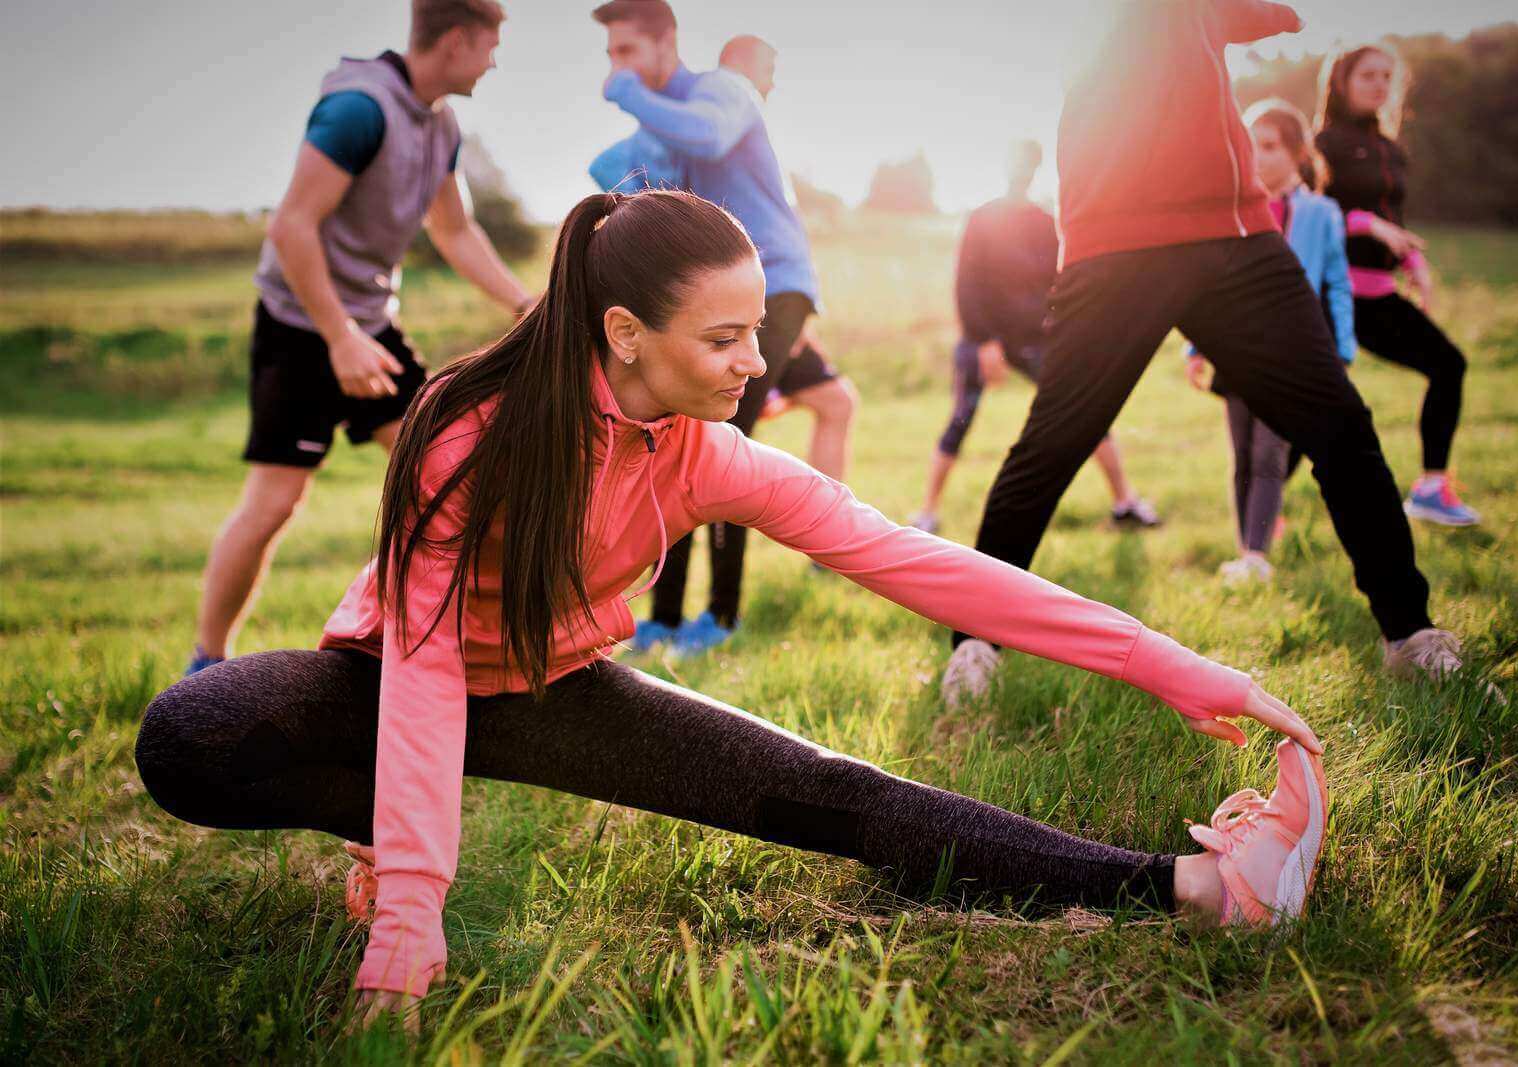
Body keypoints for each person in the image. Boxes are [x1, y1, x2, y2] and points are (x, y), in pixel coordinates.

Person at [136, 190, 1328, 1031]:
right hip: (397, 678)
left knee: (850, 797)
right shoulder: (466, 430)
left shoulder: (706, 453)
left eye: (755, 328)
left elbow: (917, 562)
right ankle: (400, 818)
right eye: (724, 336)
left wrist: (1184, 670)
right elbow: (428, 657)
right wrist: (410, 904)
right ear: (625, 334)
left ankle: (1204, 889)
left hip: (558, 689)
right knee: (191, 732)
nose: (754, 360)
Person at [943, 0, 1465, 709]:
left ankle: (1409, 633)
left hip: (1236, 236)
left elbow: (1269, 15)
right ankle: (975, 643)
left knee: (1339, 424)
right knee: (1053, 444)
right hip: (1114, 241)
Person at [185, 0, 534, 676]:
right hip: (300, 326)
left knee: (448, 469)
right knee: (275, 503)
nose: (494, 62)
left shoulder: (441, 125)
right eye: (490, 45)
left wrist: (522, 301)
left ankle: (446, 643)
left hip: (369, 327)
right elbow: (291, 226)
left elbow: (455, 230)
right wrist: (337, 336)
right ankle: (207, 662)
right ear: (457, 41)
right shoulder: (358, 109)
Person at [591, 3, 859, 655]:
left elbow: (709, 137)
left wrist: (630, 98)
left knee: (715, 445)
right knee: (680, 438)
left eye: (627, 53)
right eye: (610, 58)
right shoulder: (663, 127)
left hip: (775, 284)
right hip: (708, 303)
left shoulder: (723, 91)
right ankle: (661, 619)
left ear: (665, 45)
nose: (616, 70)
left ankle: (721, 614)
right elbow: (606, 174)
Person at [910, 139, 1161, 536]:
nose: (1021, 169)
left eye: (1029, 163)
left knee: (1083, 411)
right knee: (960, 420)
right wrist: (984, 341)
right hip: (983, 339)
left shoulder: (1045, 223)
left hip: (1034, 340)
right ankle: (927, 513)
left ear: (1036, 168)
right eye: (1015, 160)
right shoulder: (982, 219)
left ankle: (1124, 502)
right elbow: (968, 285)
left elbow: (1058, 284)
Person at [1187, 100, 1355, 584]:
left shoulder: (1322, 213)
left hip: (1292, 354)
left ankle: (1257, 555)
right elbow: (1208, 285)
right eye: (1249, 147)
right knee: (1242, 454)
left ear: (1299, 153)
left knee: (1268, 455)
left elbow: (1338, 284)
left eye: (1268, 147)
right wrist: (1195, 346)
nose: (1257, 158)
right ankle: (1247, 550)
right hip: (1236, 350)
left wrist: (1341, 350)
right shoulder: (1233, 212)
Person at [1315, 44, 1480, 526]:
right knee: (1315, 399)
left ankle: (1431, 489)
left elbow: (1394, 218)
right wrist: (1366, 224)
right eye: (1368, 75)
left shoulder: (1390, 149)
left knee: (1449, 365)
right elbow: (1307, 215)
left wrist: (1414, 262)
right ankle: (1264, 520)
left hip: (1380, 293)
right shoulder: (1324, 145)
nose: (1380, 84)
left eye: (1387, 76)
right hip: (1334, 295)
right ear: (1341, 82)